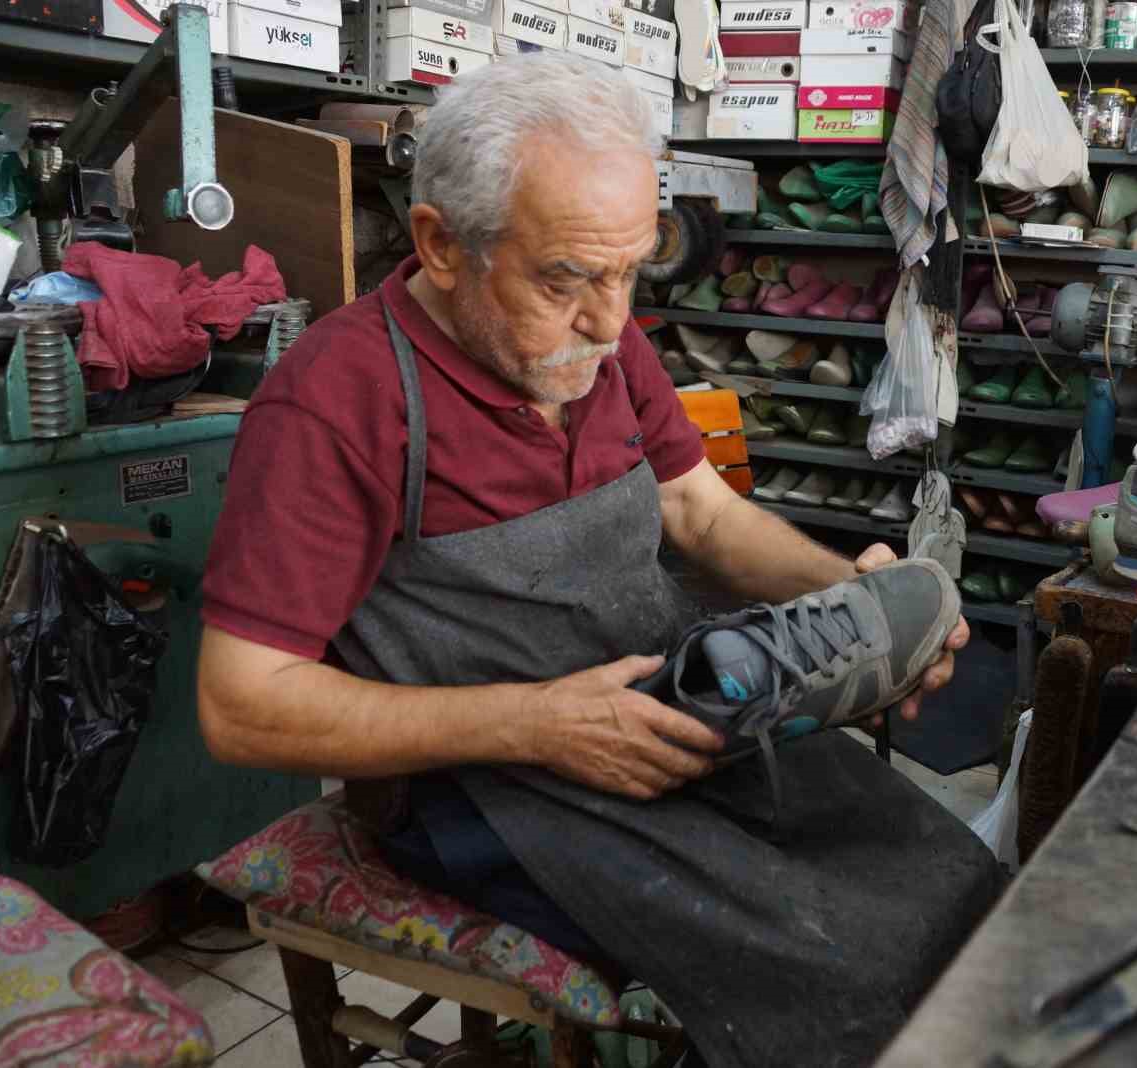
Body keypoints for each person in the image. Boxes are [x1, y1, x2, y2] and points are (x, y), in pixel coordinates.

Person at [197, 53, 999, 1068]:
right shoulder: (335, 404)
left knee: (941, 877)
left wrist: (856, 600)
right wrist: (538, 723)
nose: (612, 322)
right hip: (482, 781)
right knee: (837, 962)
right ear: (442, 243)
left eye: (629, 270)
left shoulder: (603, 346)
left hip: (662, 701)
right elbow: (240, 702)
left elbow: (698, 514)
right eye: (566, 278)